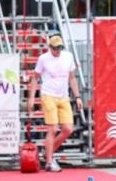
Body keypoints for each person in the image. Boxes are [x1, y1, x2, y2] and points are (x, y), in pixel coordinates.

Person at [29, 33, 83, 171]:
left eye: (60, 48)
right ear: (50, 47)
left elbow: (72, 78)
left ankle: (49, 154)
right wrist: (31, 97)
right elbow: (35, 78)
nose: (57, 51)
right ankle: (48, 162)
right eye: (55, 48)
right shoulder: (43, 59)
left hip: (63, 96)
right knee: (52, 129)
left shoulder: (68, 56)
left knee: (67, 129)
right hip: (48, 95)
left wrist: (77, 96)